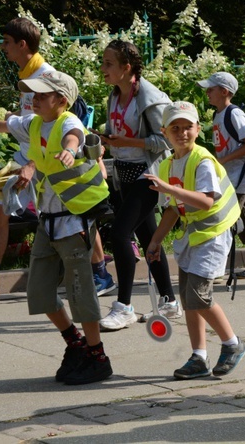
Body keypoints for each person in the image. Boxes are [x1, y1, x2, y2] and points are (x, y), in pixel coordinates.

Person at [0, 70, 113, 385]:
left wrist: (70, 150)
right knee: (39, 293)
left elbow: (76, 136)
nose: (35, 99)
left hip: (75, 221)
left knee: (80, 292)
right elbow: (1, 125)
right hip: (48, 222)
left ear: (62, 100)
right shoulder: (33, 124)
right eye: (34, 94)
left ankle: (97, 356)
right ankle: (76, 343)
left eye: (42, 95)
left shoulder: (67, 122)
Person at [0, 17, 115, 301]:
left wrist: (64, 151)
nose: (3, 48)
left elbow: (70, 127)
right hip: (38, 167)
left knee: (78, 218)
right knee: (5, 215)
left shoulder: (49, 78)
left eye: (6, 42)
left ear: (22, 44)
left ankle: (96, 278)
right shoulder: (31, 83)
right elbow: (19, 126)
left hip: (52, 170)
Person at [144, 101, 245, 379]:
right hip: (193, 235)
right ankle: (199, 357)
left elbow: (204, 201)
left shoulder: (202, 160)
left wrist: (167, 189)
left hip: (213, 233)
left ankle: (232, 344)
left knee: (199, 296)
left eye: (188, 127)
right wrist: (154, 243)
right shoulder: (167, 165)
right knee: (188, 299)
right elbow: (170, 210)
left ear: (198, 129)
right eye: (175, 128)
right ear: (164, 132)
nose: (182, 133)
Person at [97, 40, 181, 331]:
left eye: (109, 63)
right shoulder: (115, 95)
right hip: (124, 174)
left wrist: (128, 142)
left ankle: (124, 306)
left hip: (148, 176)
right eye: (103, 62)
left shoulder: (149, 97)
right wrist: (104, 140)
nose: (103, 68)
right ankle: (170, 301)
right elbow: (116, 130)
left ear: (126, 67)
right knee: (149, 239)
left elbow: (167, 139)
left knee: (120, 235)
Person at [197, 71, 245, 278]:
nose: (207, 93)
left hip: (240, 177)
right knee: (244, 220)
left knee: (224, 220)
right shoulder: (217, 114)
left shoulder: (234, 113)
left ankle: (217, 269)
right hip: (230, 177)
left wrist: (223, 161)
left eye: (211, 89)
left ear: (224, 91)